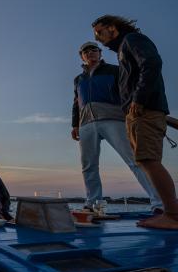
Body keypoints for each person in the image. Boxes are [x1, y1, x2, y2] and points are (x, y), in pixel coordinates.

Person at [93, 15, 178, 230]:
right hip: (138, 113)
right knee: (144, 160)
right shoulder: (123, 50)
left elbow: (152, 63)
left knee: (149, 159)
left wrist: (139, 100)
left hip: (143, 110)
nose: (98, 38)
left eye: (100, 32)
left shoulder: (131, 40)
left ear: (113, 28)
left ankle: (173, 215)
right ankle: (170, 212)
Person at [72, 41, 161, 211]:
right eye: (86, 51)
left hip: (113, 119)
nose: (90, 53)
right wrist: (75, 124)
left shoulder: (115, 70)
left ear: (100, 53)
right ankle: (92, 203)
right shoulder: (79, 79)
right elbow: (76, 104)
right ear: (82, 56)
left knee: (134, 160)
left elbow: (128, 91)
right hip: (86, 124)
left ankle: (159, 203)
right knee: (88, 165)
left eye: (94, 50)